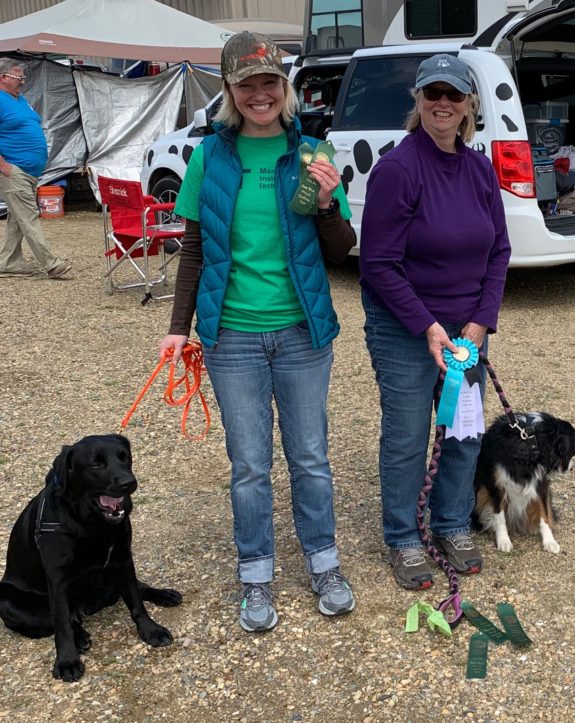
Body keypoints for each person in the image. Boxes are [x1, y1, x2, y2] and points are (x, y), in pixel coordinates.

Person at [158, 32, 357, 632]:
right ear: (230, 90)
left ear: (285, 88)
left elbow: (342, 250)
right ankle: (255, 575)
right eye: (247, 84)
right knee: (248, 465)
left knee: (310, 457)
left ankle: (324, 564)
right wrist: (177, 329)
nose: (260, 94)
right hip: (232, 338)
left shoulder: (314, 153)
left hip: (301, 332)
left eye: (270, 81)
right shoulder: (208, 158)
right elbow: (193, 250)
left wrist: (326, 203)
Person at [360, 53, 511, 590]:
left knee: (463, 433)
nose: (442, 104)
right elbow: (377, 262)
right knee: (407, 436)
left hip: (465, 333)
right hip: (406, 329)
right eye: (432, 94)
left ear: (470, 103)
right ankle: (402, 535)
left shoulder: (478, 168)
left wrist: (480, 321)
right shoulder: (398, 170)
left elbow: (499, 250)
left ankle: (449, 524)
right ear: (418, 101)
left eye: (453, 94)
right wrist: (426, 325)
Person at [0, 59, 72, 280]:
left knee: (17, 218)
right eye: (17, 78)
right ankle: (51, 263)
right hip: (13, 170)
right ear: (3, 77)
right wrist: (3, 166)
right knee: (29, 216)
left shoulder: (20, 100)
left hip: (29, 171)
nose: (22, 82)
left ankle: (8, 262)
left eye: (23, 78)